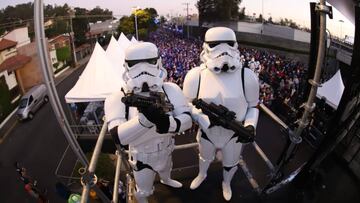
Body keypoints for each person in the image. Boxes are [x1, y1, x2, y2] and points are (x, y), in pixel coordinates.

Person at [104, 42, 192, 203]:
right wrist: (144, 120)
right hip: (141, 157)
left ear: (158, 62)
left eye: (150, 62)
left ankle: (166, 180)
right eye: (135, 64)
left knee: (167, 171)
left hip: (166, 149)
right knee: (144, 191)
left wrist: (166, 123)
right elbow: (118, 137)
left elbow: (187, 120)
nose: (142, 70)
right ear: (126, 66)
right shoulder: (117, 97)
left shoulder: (170, 89)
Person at [183, 27, 260, 201]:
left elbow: (253, 107)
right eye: (215, 44)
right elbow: (186, 105)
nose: (222, 50)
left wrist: (250, 126)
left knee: (230, 164)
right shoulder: (196, 76)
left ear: (235, 45)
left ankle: (227, 183)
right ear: (206, 47)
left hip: (233, 134)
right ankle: (202, 174)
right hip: (207, 132)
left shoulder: (246, 76)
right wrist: (203, 119)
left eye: (228, 44)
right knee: (204, 158)